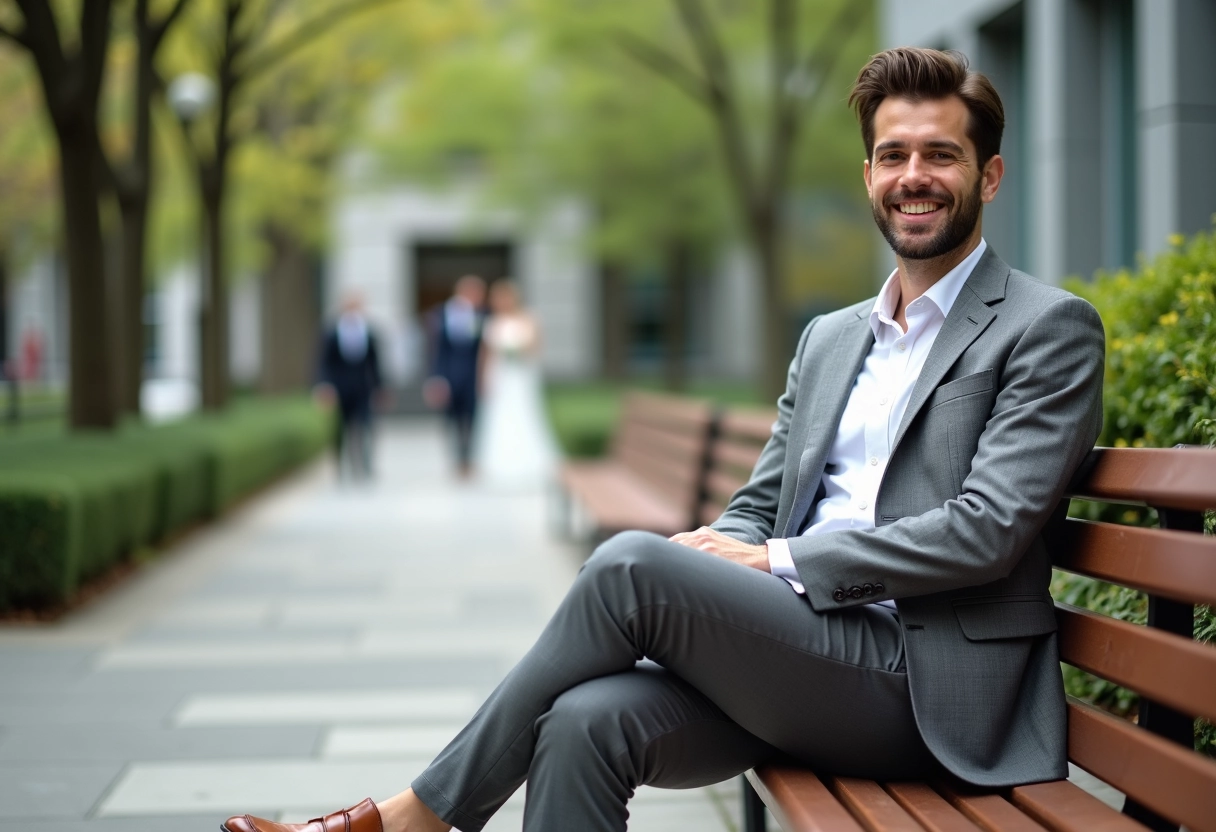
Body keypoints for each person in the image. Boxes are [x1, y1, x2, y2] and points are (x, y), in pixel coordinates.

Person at [223, 47, 1105, 832]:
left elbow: (988, 531)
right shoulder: (833, 337)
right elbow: (763, 501)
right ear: (868, 174)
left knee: (631, 566)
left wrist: (776, 566)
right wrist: (730, 566)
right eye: (893, 155)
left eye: (939, 155)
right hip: (806, 655)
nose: (914, 175)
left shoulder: (1045, 328)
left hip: (931, 689)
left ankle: (419, 816)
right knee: (581, 723)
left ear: (988, 176)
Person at [472, 280, 559, 489]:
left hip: (520, 376)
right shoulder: (491, 322)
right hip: (500, 376)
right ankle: (499, 462)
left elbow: (536, 348)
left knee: (524, 413)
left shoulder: (529, 318)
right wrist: (482, 379)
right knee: (499, 417)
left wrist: (517, 350)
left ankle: (529, 460)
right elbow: (485, 354)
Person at [315, 292, 383, 481]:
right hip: (340, 388)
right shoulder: (332, 332)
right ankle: (341, 465)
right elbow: (323, 362)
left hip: (363, 388)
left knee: (367, 426)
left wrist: (380, 387)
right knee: (341, 429)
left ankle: (365, 464)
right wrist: (324, 386)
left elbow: (375, 363)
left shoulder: (368, 331)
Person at [424, 275, 487, 479]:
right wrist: (435, 378)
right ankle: (456, 458)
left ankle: (468, 458)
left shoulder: (483, 314)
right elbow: (434, 350)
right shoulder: (440, 314)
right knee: (451, 420)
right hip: (448, 376)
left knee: (472, 418)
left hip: (472, 376)